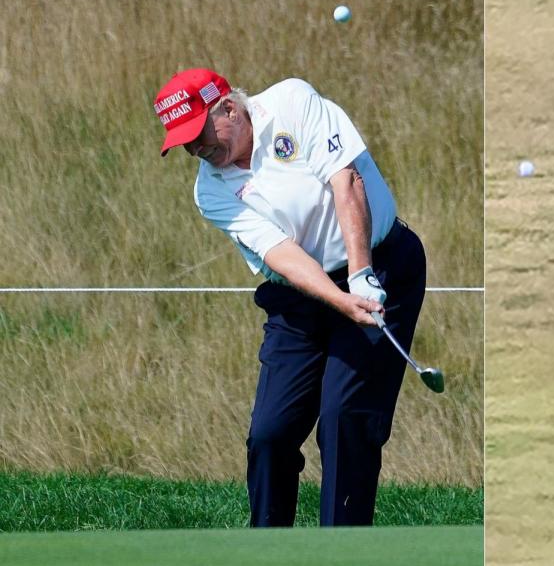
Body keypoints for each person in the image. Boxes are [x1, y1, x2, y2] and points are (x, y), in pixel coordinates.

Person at [152, 68, 427, 527]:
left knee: (344, 420)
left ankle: (341, 551)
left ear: (228, 108)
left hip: (382, 265)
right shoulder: (210, 190)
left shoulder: (292, 102)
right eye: (183, 143)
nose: (195, 150)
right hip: (302, 295)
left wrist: (360, 275)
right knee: (269, 435)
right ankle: (270, 550)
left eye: (198, 135)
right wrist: (340, 300)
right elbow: (281, 254)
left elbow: (347, 181)